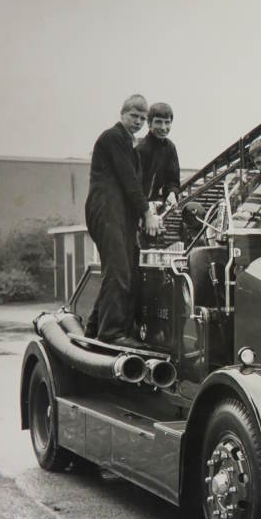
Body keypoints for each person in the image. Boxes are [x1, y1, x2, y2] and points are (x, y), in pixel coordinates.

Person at [84, 94, 162, 346]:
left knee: (125, 272)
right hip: (107, 211)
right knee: (118, 271)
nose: (138, 121)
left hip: (120, 215)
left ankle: (95, 328)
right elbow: (129, 181)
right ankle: (112, 333)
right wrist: (146, 213)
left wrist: (145, 209)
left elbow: (135, 185)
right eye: (134, 116)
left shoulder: (130, 146)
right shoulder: (113, 138)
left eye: (142, 118)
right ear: (122, 114)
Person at [137, 102, 180, 208]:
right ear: (149, 123)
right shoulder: (139, 149)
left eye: (167, 122)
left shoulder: (170, 148)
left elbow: (172, 181)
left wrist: (172, 193)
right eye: (158, 122)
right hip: (133, 208)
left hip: (152, 208)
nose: (163, 127)